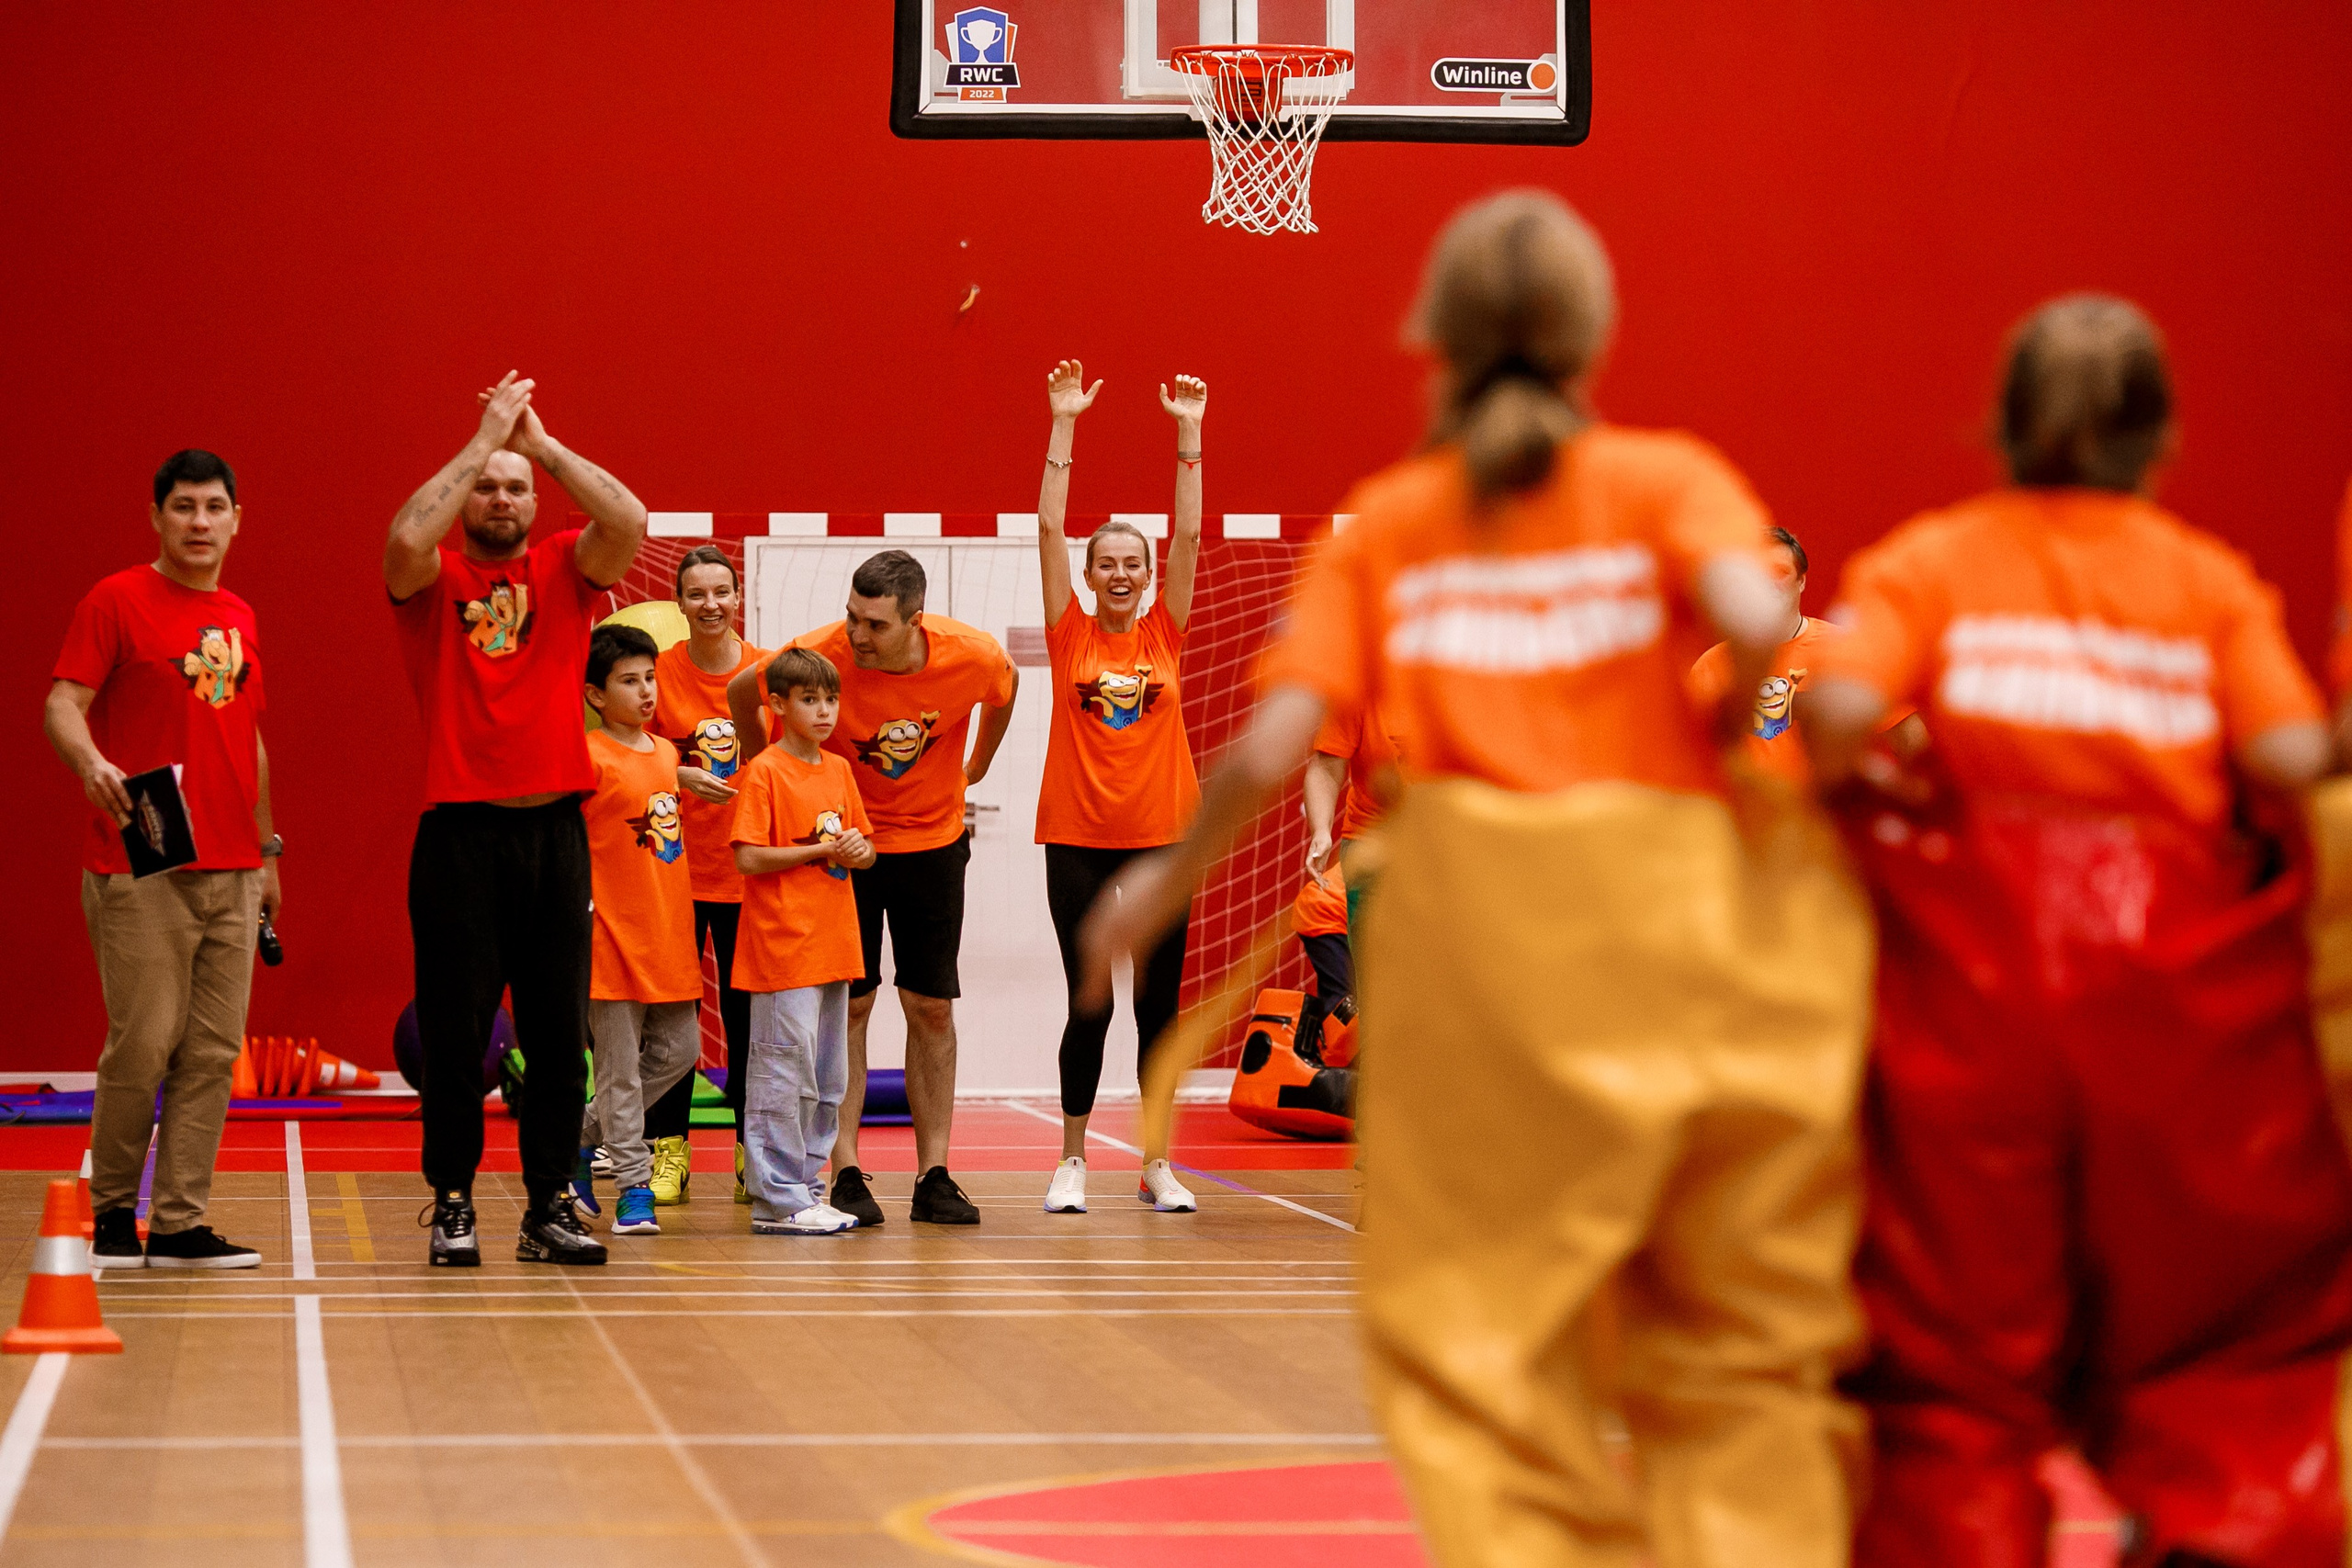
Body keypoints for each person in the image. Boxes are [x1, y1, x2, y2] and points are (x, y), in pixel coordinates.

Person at [1078, 192, 1876, 1567]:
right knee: (1683, 1275)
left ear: (1432, 340)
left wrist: (1156, 887)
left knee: (1481, 1312)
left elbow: (1274, 741)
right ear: (1595, 335)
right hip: (1637, 909)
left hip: (1463, 928)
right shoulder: (1667, 479)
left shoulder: (1390, 520)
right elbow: (1765, 622)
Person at [1806, 296, 2352, 1566]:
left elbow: (1834, 713)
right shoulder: (2205, 578)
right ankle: (2221, 1534)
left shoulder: (1933, 558)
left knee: (1951, 1360)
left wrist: (1890, 794)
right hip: (2177, 987)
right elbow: (2285, 756)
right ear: (2161, 440)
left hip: (1970, 978)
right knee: (2216, 1335)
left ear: (1998, 428)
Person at [386, 371, 649, 1268]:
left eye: (515, 488)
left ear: (536, 500)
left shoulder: (567, 570)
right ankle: (453, 1203)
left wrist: (540, 445)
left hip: (554, 838)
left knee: (555, 1039)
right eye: (487, 487)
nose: (500, 498)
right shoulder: (435, 579)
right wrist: (479, 444)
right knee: (457, 1039)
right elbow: (402, 537)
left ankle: (547, 1207)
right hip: (460, 836)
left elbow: (631, 520)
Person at [727, 550, 1017, 1227]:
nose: (857, 634)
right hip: (842, 848)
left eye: (875, 624)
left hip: (933, 845)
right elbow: (746, 690)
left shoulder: (971, 655)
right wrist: (760, 758)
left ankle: (934, 1173)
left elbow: (1004, 693)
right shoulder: (824, 651)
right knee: (848, 1006)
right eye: (853, 616)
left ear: (915, 620)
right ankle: (846, 1169)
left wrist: (978, 764)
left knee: (930, 1007)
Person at [46, 449, 278, 1269]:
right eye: (184, 507)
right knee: (143, 1042)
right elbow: (62, 702)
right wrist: (91, 764)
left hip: (233, 863)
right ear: (157, 516)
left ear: (236, 518)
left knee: (213, 1051)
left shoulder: (242, 613)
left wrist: (269, 852)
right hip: (141, 854)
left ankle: (179, 1221)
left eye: (215, 507)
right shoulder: (116, 599)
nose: (200, 522)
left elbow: (247, 738)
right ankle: (112, 1209)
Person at [1032, 362, 1207, 1218]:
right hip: (1078, 840)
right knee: (1089, 1003)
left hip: (1165, 838)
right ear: (1092, 574)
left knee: (1160, 1011)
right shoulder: (1069, 635)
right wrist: (1065, 422)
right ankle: (1071, 1161)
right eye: (1107, 562)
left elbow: (1188, 538)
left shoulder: (1164, 633)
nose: (1122, 572)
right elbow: (1047, 523)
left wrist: (1188, 434)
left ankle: (1156, 1163)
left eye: (1132, 561)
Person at [730, 647, 876, 1235]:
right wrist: (821, 850)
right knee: (779, 1075)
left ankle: (805, 1188)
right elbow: (748, 856)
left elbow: (863, 846)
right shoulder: (765, 769)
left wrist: (860, 852)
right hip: (781, 949)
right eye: (810, 700)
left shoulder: (839, 770)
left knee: (826, 1079)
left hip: (834, 948)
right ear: (779, 705)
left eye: (831, 699)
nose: (824, 711)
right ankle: (775, 1196)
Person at [642, 544, 769, 1205]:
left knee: (752, 1026)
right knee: (670, 1026)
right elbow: (624, 746)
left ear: (738, 596)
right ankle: (669, 1153)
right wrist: (675, 770)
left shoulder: (767, 672)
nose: (711, 604)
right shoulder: (657, 673)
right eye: (697, 593)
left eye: (722, 591)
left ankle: (755, 1153)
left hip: (750, 877)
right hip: (673, 875)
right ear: (679, 599)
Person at [573, 625, 702, 1236]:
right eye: (630, 680)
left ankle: (577, 1137)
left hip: (668, 932)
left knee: (682, 1051)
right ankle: (631, 1185)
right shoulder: (585, 756)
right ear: (597, 694)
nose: (646, 690)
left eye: (650, 677)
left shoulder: (667, 754)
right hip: (610, 939)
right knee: (620, 1069)